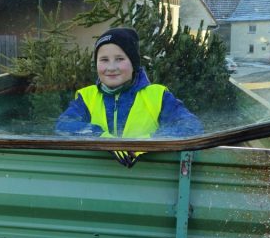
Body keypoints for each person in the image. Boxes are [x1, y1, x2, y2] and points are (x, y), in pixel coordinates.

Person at [56, 28, 202, 166]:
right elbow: (63, 125)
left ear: (134, 63)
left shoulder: (157, 96)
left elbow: (191, 126)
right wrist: (102, 138)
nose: (111, 67)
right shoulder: (87, 97)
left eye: (119, 59)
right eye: (104, 60)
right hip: (97, 178)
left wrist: (144, 143)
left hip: (146, 177)